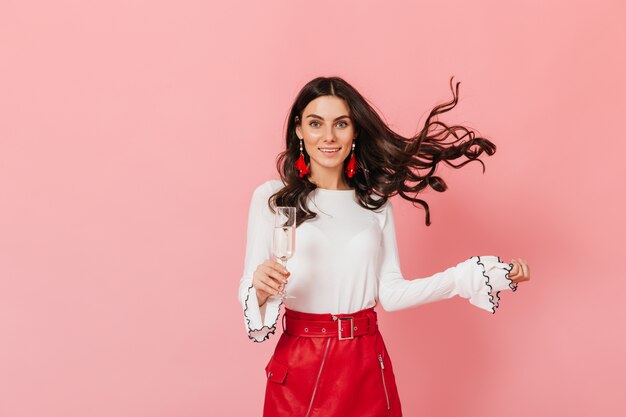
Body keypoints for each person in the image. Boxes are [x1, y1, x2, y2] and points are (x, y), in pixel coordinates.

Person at [237, 76, 531, 417]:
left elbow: (390, 293)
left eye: (341, 124)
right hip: (301, 362)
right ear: (299, 130)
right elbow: (250, 287)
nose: (328, 136)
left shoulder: (374, 204)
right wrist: (259, 287)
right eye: (316, 123)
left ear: (355, 131)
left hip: (364, 363)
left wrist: (469, 277)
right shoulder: (272, 198)